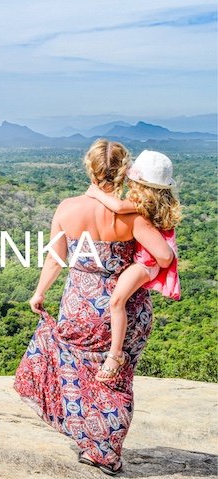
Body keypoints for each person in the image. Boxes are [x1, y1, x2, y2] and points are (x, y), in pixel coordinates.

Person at [13, 138, 174, 476]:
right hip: (125, 305)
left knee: (79, 372)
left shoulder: (67, 208)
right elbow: (163, 255)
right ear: (125, 170)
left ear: (89, 168)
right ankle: (106, 451)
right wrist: (148, 273)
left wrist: (39, 292)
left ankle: (91, 441)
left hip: (79, 302)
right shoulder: (132, 215)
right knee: (116, 377)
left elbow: (56, 259)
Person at [85, 150, 181, 383]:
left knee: (116, 301)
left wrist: (95, 192)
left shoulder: (140, 205)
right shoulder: (155, 202)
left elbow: (117, 207)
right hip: (146, 261)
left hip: (145, 263)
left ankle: (114, 355)